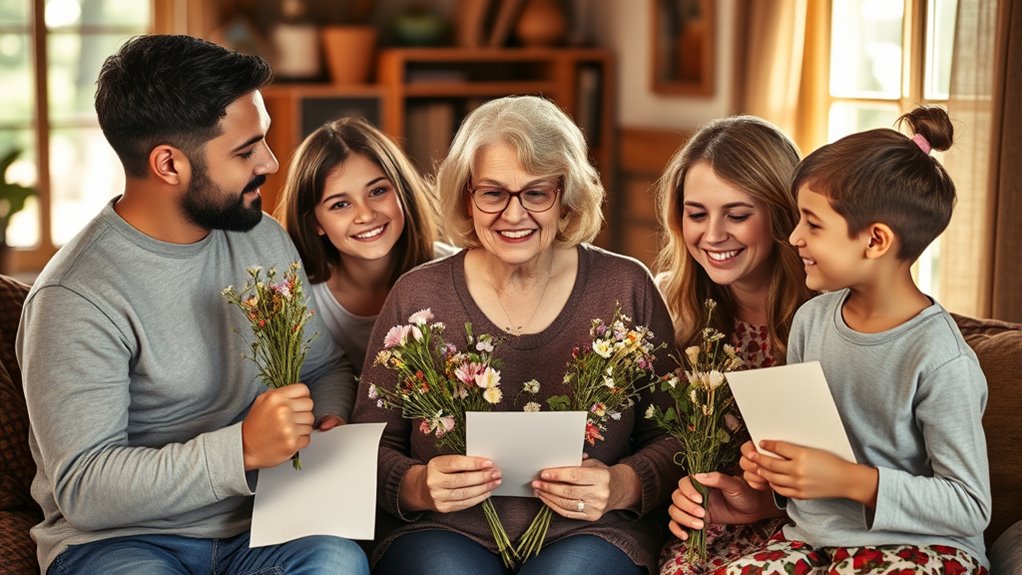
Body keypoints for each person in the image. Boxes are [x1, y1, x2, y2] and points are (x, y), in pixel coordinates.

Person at [15, 35, 369, 574]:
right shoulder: (76, 297)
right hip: (123, 544)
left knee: (337, 562)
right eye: (246, 150)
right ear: (168, 165)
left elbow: (322, 366)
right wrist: (242, 450)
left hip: (263, 527)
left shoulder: (262, 241)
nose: (272, 163)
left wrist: (327, 418)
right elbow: (83, 486)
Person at [351, 95, 683, 574]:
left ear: (565, 197)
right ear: (467, 197)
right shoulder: (417, 295)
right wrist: (416, 485)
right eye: (492, 193)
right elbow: (368, 447)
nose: (513, 214)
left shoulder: (625, 286)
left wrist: (624, 483)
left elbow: (675, 436)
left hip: (590, 531)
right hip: (444, 532)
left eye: (536, 193)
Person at [727, 106, 991, 573]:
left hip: (924, 548)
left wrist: (854, 481)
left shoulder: (941, 359)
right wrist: (773, 469)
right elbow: (803, 451)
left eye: (812, 223)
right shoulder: (812, 320)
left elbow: (969, 505)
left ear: (875, 241)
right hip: (813, 539)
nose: (793, 238)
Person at [653, 116, 812, 574]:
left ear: (783, 215)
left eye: (737, 215)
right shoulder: (669, 305)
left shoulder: (827, 315)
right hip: (700, 532)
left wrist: (770, 503)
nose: (713, 235)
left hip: (803, 530)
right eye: (696, 214)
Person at [274, 116, 457, 374]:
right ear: (316, 223)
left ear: (401, 191)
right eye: (340, 204)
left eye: (377, 191)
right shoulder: (302, 303)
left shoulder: (459, 272)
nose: (366, 215)